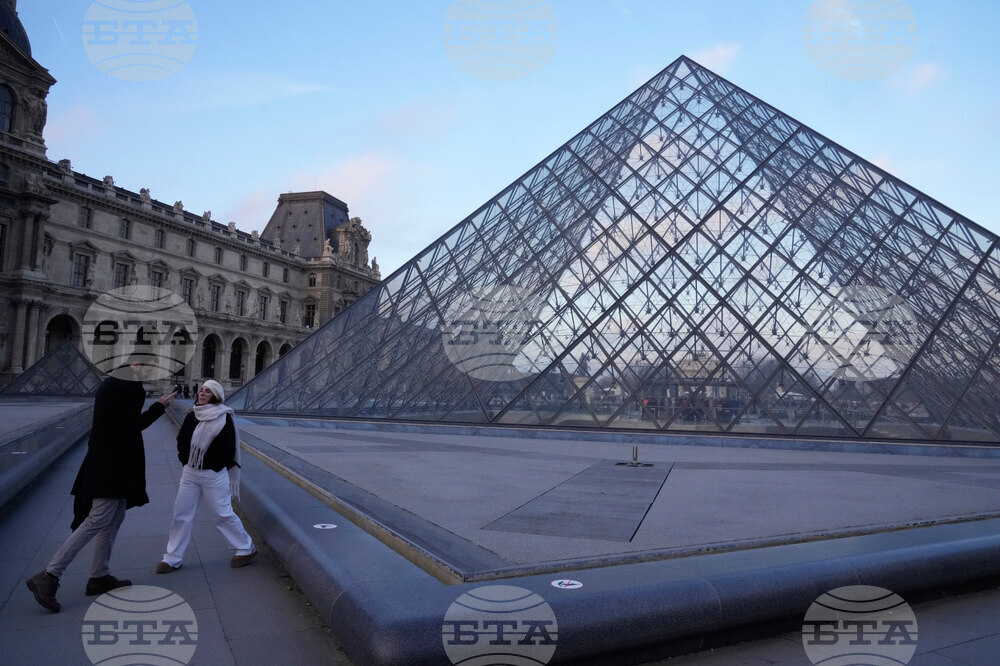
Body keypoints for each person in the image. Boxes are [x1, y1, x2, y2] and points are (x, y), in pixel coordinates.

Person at [26, 355, 175, 613]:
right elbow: (132, 425)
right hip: (110, 465)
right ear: (137, 364)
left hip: (114, 462)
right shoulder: (121, 385)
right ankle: (49, 575)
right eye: (151, 368)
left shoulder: (121, 383)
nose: (152, 374)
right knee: (98, 518)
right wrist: (159, 406)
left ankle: (99, 576)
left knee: (114, 517)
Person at [156, 380, 256, 573]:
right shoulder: (193, 414)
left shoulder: (223, 417)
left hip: (213, 473)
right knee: (181, 514)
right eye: (201, 390)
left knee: (222, 513)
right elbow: (182, 440)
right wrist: (185, 460)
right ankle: (172, 558)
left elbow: (229, 448)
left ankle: (245, 548)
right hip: (190, 471)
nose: (202, 393)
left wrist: (214, 465)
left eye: (207, 391)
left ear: (215, 396)